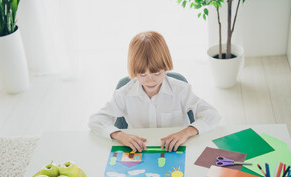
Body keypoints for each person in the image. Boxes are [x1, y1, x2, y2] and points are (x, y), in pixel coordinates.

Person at [89, 31, 220, 152]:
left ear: (165, 67)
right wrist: (120, 135)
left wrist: (186, 132)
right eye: (142, 75)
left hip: (176, 150)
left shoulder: (181, 90)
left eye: (157, 73)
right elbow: (96, 120)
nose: (150, 81)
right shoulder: (124, 94)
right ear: (134, 72)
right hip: (140, 152)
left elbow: (212, 115)